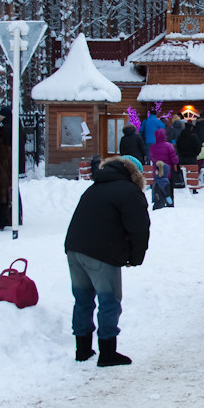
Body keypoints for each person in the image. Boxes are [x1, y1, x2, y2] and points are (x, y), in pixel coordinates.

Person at [64, 156, 150, 366]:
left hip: (74, 248)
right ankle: (107, 353)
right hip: (102, 253)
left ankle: (82, 349)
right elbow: (139, 229)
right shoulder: (130, 192)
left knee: (83, 300)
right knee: (109, 302)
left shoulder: (94, 188)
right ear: (136, 174)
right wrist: (135, 258)